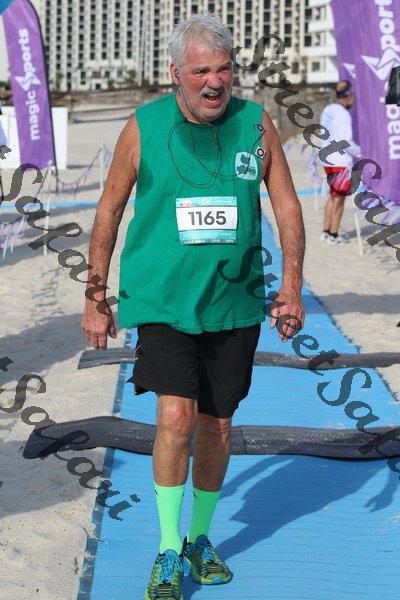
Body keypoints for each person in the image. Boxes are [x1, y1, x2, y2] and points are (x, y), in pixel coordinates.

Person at [81, 12, 305, 600]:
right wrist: (95, 297)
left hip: (234, 302)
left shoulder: (255, 124)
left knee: (218, 423)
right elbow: (108, 209)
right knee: (176, 418)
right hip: (162, 300)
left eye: (224, 70)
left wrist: (291, 286)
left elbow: (286, 204)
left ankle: (200, 538)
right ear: (175, 73)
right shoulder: (143, 126)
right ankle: (167, 546)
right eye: (201, 71)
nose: (214, 82)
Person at [319, 80, 361, 245]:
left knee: (332, 197)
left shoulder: (328, 109)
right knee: (339, 199)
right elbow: (345, 141)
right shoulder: (343, 114)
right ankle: (334, 234)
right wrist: (360, 152)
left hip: (328, 160)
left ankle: (326, 232)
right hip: (340, 161)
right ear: (348, 95)